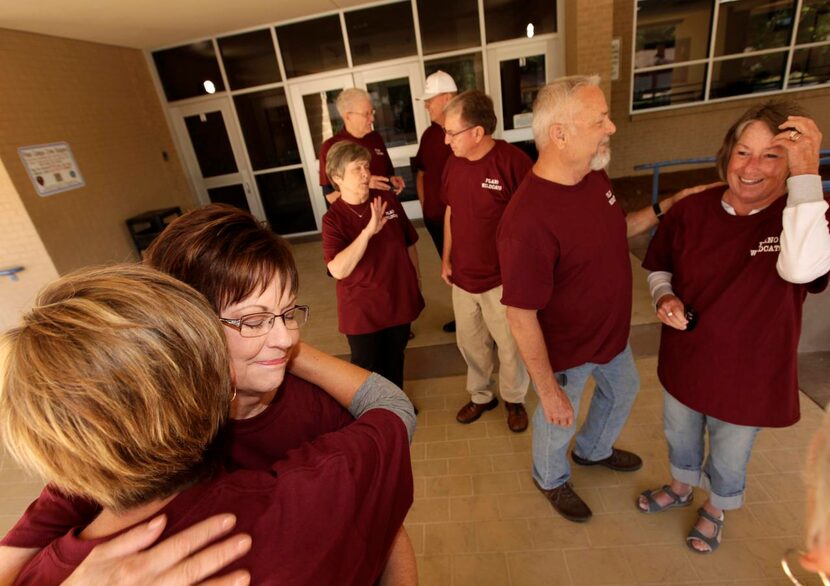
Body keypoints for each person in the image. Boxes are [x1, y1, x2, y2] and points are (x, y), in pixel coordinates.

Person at [0, 205, 417, 584]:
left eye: (290, 312)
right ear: (189, 328)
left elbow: (385, 525)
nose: (286, 336)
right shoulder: (124, 441)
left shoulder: (323, 408)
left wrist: (288, 351)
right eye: (252, 320)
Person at [497, 75, 708, 523]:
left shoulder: (593, 176)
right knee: (558, 420)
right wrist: (548, 390)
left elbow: (618, 229)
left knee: (625, 389)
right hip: (569, 350)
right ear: (560, 134)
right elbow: (519, 315)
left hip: (611, 336)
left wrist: (668, 205)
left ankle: (593, 452)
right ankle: (550, 477)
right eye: (600, 120)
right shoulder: (527, 220)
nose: (611, 128)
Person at [636, 101, 828, 553]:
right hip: (688, 359)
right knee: (679, 434)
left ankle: (716, 507)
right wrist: (663, 296)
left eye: (771, 155)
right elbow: (658, 267)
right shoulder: (693, 209)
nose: (751, 168)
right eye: (743, 152)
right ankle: (682, 487)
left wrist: (806, 180)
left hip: (752, 374)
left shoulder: (804, 215)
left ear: (792, 164)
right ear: (727, 155)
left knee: (729, 452)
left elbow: (801, 269)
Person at [440, 90, 532, 433]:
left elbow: (532, 223)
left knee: (510, 346)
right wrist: (447, 258)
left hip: (502, 280)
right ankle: (481, 396)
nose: (446, 139)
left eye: (452, 132)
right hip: (463, 278)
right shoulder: (453, 164)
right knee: (471, 343)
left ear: (477, 132)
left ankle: (513, 399)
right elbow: (451, 212)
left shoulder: (513, 163)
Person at [323, 142, 424, 391]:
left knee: (395, 359)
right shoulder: (333, 219)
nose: (365, 173)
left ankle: (395, 408)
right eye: (356, 169)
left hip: (397, 299)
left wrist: (416, 281)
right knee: (364, 366)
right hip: (362, 310)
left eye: (366, 166)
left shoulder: (386, 199)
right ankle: (369, 414)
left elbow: (409, 242)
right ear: (337, 177)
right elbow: (338, 269)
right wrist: (368, 232)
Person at [413, 70, 458, 334]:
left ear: (448, 98)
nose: (426, 104)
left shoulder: (464, 132)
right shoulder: (430, 134)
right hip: (435, 220)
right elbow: (421, 172)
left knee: (469, 272)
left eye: (431, 99)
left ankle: (485, 324)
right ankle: (465, 318)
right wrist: (424, 204)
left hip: (461, 222)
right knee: (449, 270)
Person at [318, 87, 404, 204]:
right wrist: (365, 185)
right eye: (366, 114)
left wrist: (391, 180)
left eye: (372, 112)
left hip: (388, 206)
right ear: (348, 116)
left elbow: (387, 173)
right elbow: (331, 197)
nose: (372, 118)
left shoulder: (375, 137)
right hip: (360, 218)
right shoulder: (330, 147)